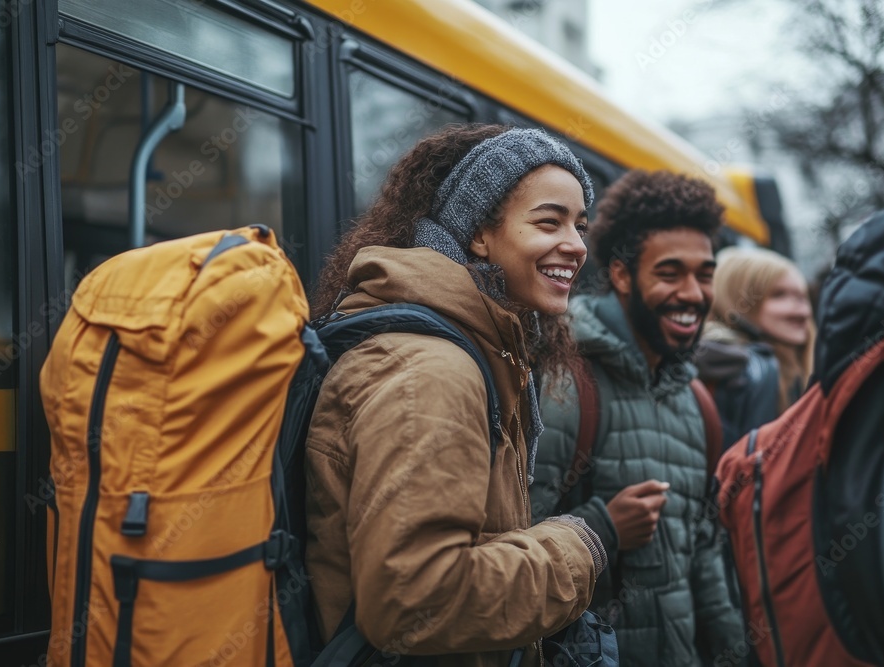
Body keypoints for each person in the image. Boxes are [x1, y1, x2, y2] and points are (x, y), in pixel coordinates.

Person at [304, 124, 609, 666]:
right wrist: (576, 549)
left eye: (580, 226)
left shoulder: (461, 349)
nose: (576, 245)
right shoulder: (431, 370)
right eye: (549, 221)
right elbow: (413, 602)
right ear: (479, 235)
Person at [530, 169, 744, 666]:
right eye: (670, 273)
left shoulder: (696, 400)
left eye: (705, 274)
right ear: (623, 275)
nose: (693, 294)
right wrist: (602, 526)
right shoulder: (566, 382)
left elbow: (703, 558)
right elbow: (512, 547)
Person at [696, 246, 815, 450]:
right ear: (733, 298)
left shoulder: (797, 372)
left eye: (803, 297)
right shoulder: (746, 369)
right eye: (778, 295)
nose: (802, 310)